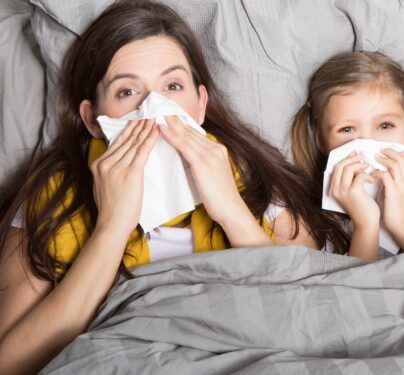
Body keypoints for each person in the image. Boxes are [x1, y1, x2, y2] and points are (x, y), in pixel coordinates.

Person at [0, 1, 348, 373]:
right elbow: (10, 362)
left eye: (172, 86)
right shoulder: (54, 199)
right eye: (127, 92)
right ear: (94, 120)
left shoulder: (257, 185)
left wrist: (231, 211)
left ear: (199, 105)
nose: (155, 109)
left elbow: (305, 319)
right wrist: (112, 227)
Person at [291, 52, 404, 261]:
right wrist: (366, 225)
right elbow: (352, 290)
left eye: (385, 126)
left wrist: (401, 222)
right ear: (321, 140)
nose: (368, 142)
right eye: (347, 129)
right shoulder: (321, 216)